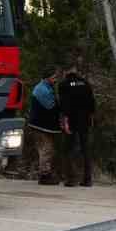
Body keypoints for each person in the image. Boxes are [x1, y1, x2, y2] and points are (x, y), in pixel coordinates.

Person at [57, 59, 97, 187]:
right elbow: (92, 103)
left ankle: (71, 179)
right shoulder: (86, 83)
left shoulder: (63, 85)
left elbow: (64, 106)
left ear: (65, 71)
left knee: (68, 148)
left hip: (72, 119)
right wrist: (91, 118)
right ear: (75, 70)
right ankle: (87, 179)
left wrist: (65, 121)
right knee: (85, 149)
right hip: (85, 120)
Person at [27, 68, 64, 185]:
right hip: (40, 126)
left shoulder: (45, 87)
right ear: (47, 77)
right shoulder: (42, 90)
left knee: (47, 149)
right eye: (53, 78)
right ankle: (44, 175)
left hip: (41, 125)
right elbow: (52, 107)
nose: (55, 80)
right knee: (46, 149)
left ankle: (46, 173)